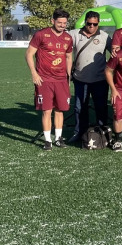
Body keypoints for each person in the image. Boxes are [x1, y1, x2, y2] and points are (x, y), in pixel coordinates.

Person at [25, 8, 73, 149]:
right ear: (53, 21)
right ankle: (47, 141)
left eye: (64, 23)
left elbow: (69, 57)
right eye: (59, 22)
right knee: (47, 110)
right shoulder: (41, 34)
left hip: (61, 80)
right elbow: (28, 54)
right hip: (44, 79)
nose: (62, 25)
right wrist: (34, 73)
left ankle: (58, 138)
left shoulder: (68, 38)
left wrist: (68, 77)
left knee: (60, 110)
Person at [68, 10, 112, 142]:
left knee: (101, 107)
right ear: (85, 22)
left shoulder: (105, 36)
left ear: (98, 23)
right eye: (89, 23)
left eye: (95, 24)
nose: (91, 26)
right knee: (79, 108)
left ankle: (103, 133)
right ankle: (79, 133)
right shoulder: (74, 34)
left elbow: (116, 54)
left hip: (100, 80)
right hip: (80, 79)